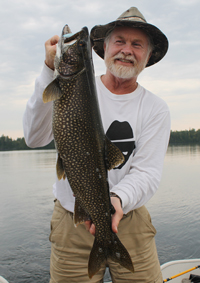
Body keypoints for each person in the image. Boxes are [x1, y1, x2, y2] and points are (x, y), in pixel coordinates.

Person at [23, 7, 171, 283]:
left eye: (137, 44)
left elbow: (147, 173)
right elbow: (34, 138)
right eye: (120, 41)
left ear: (148, 56)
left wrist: (117, 199)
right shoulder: (74, 85)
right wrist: (47, 69)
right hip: (72, 218)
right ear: (103, 48)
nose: (127, 50)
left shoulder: (155, 109)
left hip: (130, 219)